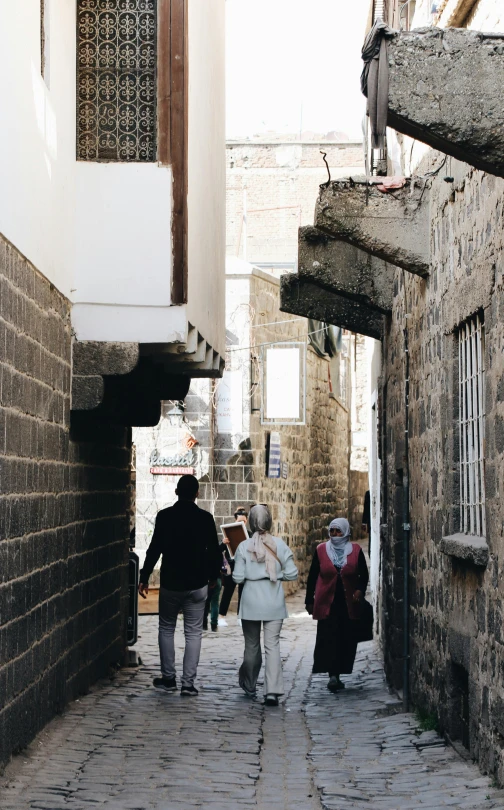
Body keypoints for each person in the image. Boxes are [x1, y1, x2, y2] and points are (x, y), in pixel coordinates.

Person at [138, 474, 222, 697]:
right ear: (197, 494)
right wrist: (213, 577)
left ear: (177, 492)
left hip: (171, 583)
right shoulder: (205, 519)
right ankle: (188, 684)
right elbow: (213, 552)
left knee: (166, 628)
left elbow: (154, 548)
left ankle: (168, 678)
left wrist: (145, 576)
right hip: (197, 583)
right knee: (193, 633)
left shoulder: (165, 516)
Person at [232, 504, 298, 706]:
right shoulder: (280, 544)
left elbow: (237, 577)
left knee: (251, 646)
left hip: (251, 600)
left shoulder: (244, 546)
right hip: (273, 600)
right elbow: (292, 573)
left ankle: (250, 683)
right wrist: (276, 575)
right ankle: (272, 692)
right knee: (273, 646)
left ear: (250, 523)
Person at [305, 517, 369, 693]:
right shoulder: (321, 550)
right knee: (329, 637)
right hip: (328, 603)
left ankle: (340, 671)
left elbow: (363, 575)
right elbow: (312, 577)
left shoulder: (355, 551)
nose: (335, 534)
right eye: (332, 531)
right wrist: (309, 600)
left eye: (338, 531)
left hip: (348, 604)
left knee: (345, 639)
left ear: (345, 531)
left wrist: (359, 591)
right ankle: (333, 675)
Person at [218, 506, 249, 622]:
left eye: (244, 521)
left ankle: (240, 617)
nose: (242, 523)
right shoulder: (229, 533)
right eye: (239, 521)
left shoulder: (250, 535)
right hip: (231, 567)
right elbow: (218, 549)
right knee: (227, 592)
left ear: (247, 521)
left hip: (244, 568)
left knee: (243, 592)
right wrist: (223, 543)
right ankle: (221, 616)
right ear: (235, 520)